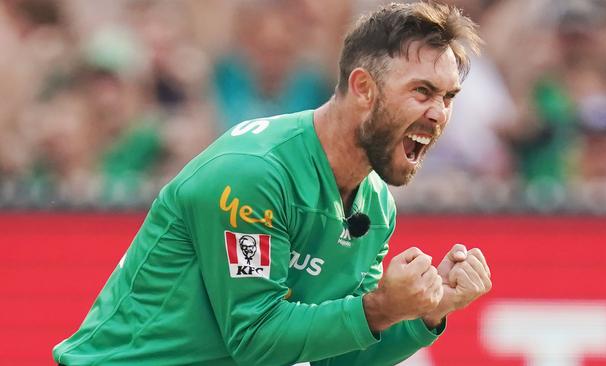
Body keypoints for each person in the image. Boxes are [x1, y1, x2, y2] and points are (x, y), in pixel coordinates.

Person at [53, 2, 492, 365]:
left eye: (448, 97)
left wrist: (426, 314)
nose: (439, 114)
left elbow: (338, 353)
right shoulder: (256, 174)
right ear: (363, 88)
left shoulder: (375, 206)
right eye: (422, 91)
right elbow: (255, 340)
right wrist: (379, 307)